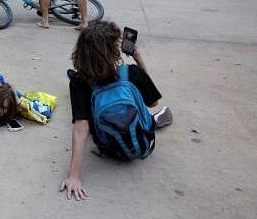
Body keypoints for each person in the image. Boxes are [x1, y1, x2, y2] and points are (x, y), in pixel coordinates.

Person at [61, 21, 173, 200]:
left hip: (107, 146)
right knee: (142, 108)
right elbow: (153, 102)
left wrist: (73, 176)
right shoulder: (132, 72)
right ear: (113, 52)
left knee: (85, 109)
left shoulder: (79, 82)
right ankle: (152, 121)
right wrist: (138, 59)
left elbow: (81, 126)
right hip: (142, 140)